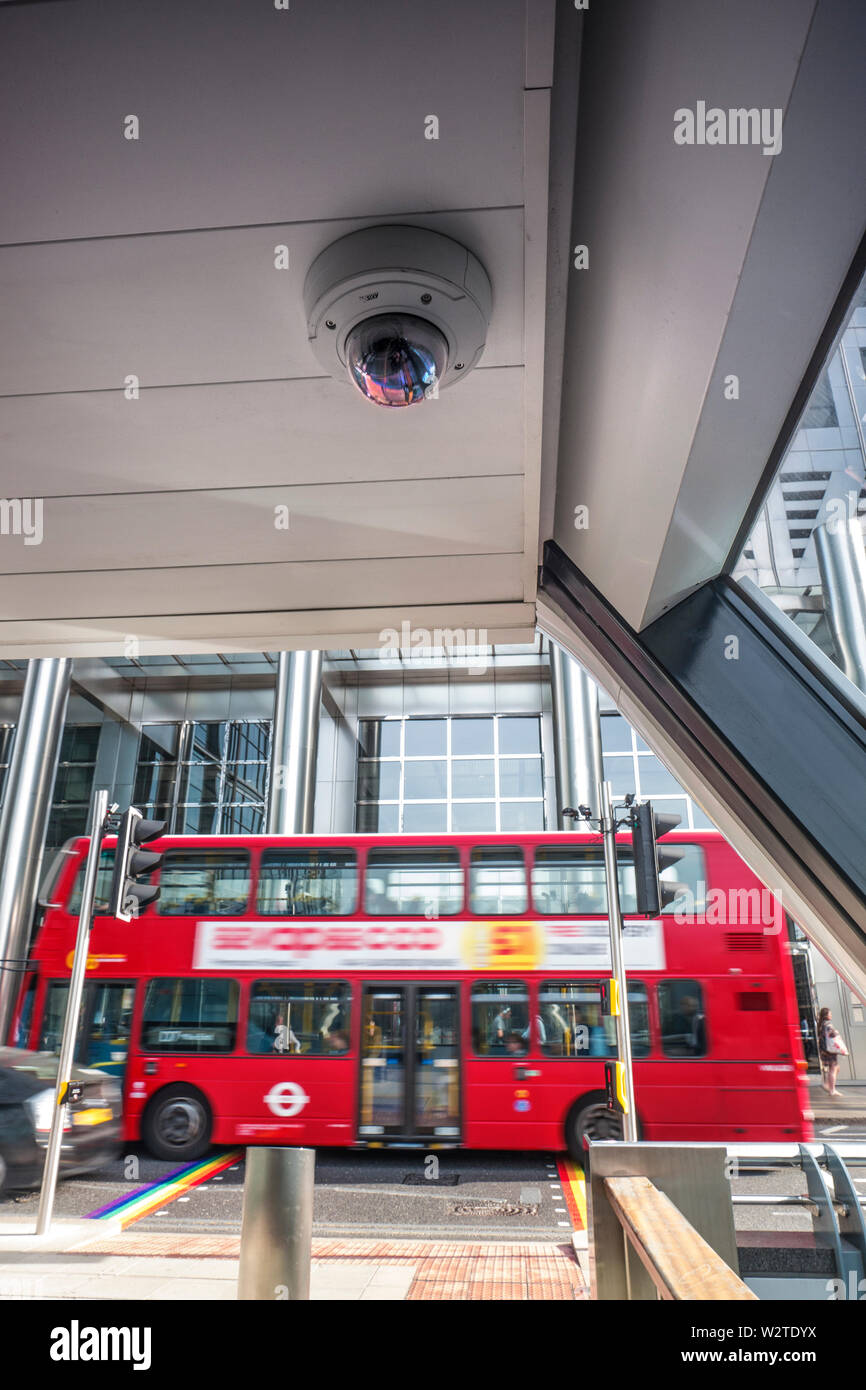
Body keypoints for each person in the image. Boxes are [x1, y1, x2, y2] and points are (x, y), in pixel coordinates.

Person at [818, 1006, 847, 1096]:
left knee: (834, 1068)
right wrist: (837, 1032)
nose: (831, 1015)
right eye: (830, 1013)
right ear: (826, 1015)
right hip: (829, 1050)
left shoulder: (821, 1024)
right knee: (833, 1069)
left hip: (824, 1050)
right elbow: (833, 1035)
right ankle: (832, 1090)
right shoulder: (828, 1024)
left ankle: (828, 1084)